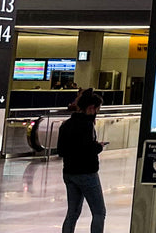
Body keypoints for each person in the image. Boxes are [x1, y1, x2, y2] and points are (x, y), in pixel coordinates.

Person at [57, 91, 106, 233]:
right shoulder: (87, 125)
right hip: (87, 173)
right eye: (97, 109)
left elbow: (61, 150)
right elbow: (87, 149)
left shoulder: (66, 124)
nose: (97, 112)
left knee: (72, 213)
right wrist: (98, 146)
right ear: (91, 107)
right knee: (99, 212)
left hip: (69, 173)